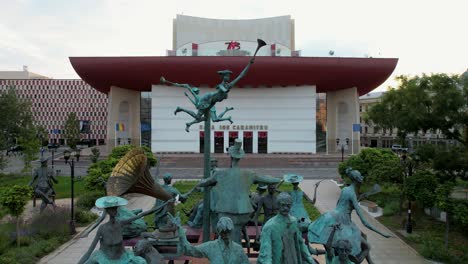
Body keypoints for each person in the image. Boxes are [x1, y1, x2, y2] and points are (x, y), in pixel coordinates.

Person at [195, 139, 281, 243]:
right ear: (240, 158)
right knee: (236, 235)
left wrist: (204, 182)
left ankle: (230, 253)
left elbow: (203, 183)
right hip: (243, 213)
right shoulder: (249, 174)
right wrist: (279, 179)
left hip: (225, 211)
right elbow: (268, 180)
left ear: (230, 157)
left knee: (227, 234)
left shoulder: (220, 174)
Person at [308, 168, 391, 262]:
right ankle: (358, 261)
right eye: (360, 176)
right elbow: (364, 222)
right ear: (357, 179)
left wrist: (360, 197)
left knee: (361, 238)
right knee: (366, 247)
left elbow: (341, 204)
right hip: (344, 222)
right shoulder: (352, 194)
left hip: (332, 216)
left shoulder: (345, 189)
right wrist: (382, 233)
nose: (362, 178)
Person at [163, 57, 255, 132]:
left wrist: (249, 64)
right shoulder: (221, 86)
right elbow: (223, 90)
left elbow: (240, 76)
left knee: (208, 119)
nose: (228, 77)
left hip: (211, 104)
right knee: (197, 116)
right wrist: (226, 91)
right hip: (207, 100)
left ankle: (189, 124)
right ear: (223, 77)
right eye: (226, 76)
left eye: (229, 76)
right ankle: (181, 109)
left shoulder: (228, 85)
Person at [78, 196, 168, 264]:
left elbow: (142, 214)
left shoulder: (120, 224)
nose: (114, 210)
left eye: (115, 208)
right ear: (107, 210)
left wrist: (164, 204)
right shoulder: (102, 229)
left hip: (123, 257)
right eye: (111, 208)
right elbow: (89, 251)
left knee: (142, 262)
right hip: (105, 259)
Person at [257, 192, 315, 264]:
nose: (285, 208)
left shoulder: (294, 222)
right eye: (283, 205)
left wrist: (310, 259)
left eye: (288, 206)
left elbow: (301, 244)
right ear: (278, 205)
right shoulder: (270, 226)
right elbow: (265, 253)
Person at [177, 216, 249, 264]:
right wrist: (181, 233)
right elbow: (190, 250)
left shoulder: (238, 249)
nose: (226, 235)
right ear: (219, 232)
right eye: (223, 233)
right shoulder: (211, 247)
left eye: (228, 232)